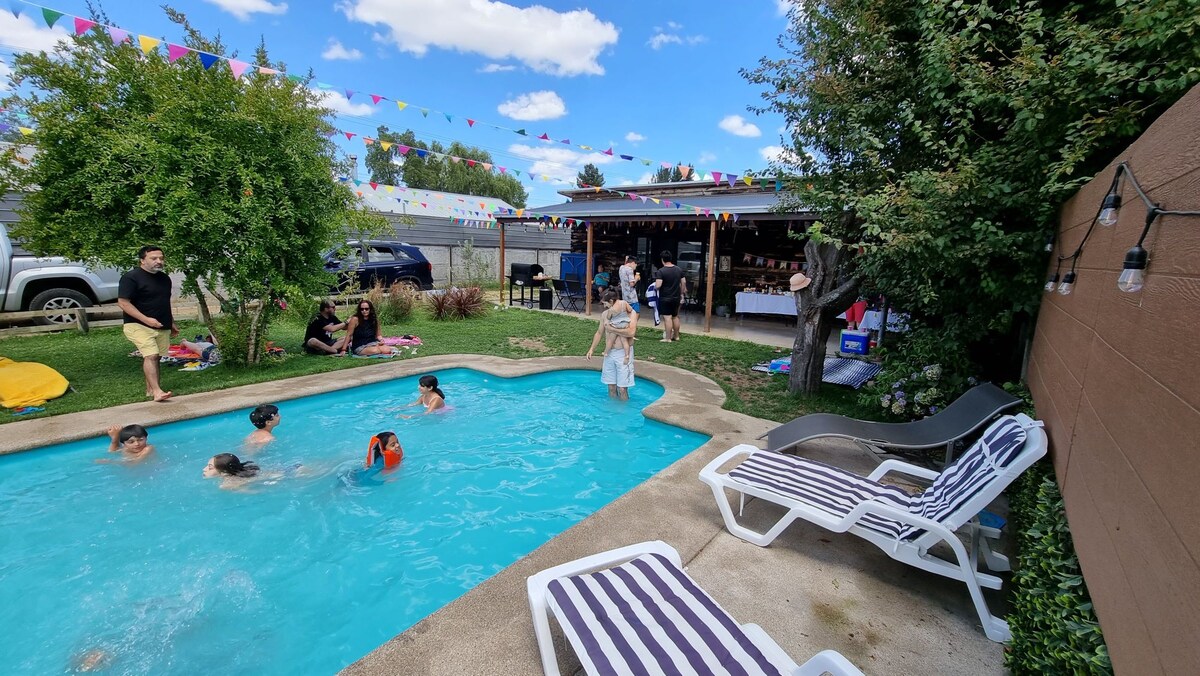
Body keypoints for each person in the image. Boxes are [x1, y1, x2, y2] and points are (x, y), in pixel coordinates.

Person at [117, 245, 178, 402]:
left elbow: (164, 302)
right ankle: (157, 392)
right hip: (137, 324)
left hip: (161, 324)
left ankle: (151, 390)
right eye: (154, 258)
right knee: (151, 355)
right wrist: (146, 319)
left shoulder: (164, 279)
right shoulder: (131, 278)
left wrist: (171, 322)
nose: (159, 261)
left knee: (156, 357)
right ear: (142, 260)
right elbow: (123, 303)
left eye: (161, 258)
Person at [586, 289, 639, 399]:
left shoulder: (631, 313)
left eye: (605, 303)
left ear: (611, 300)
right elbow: (599, 332)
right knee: (611, 386)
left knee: (622, 388)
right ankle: (612, 412)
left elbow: (631, 332)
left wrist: (612, 329)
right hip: (609, 353)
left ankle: (624, 412)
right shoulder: (605, 314)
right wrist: (592, 349)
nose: (604, 306)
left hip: (623, 354)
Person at [654, 250, 687, 342]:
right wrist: (681, 292)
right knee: (675, 316)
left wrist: (655, 288)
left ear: (662, 260)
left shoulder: (661, 271)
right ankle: (676, 336)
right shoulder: (678, 269)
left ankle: (668, 338)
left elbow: (658, 285)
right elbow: (683, 282)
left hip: (665, 297)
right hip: (676, 297)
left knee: (667, 317)